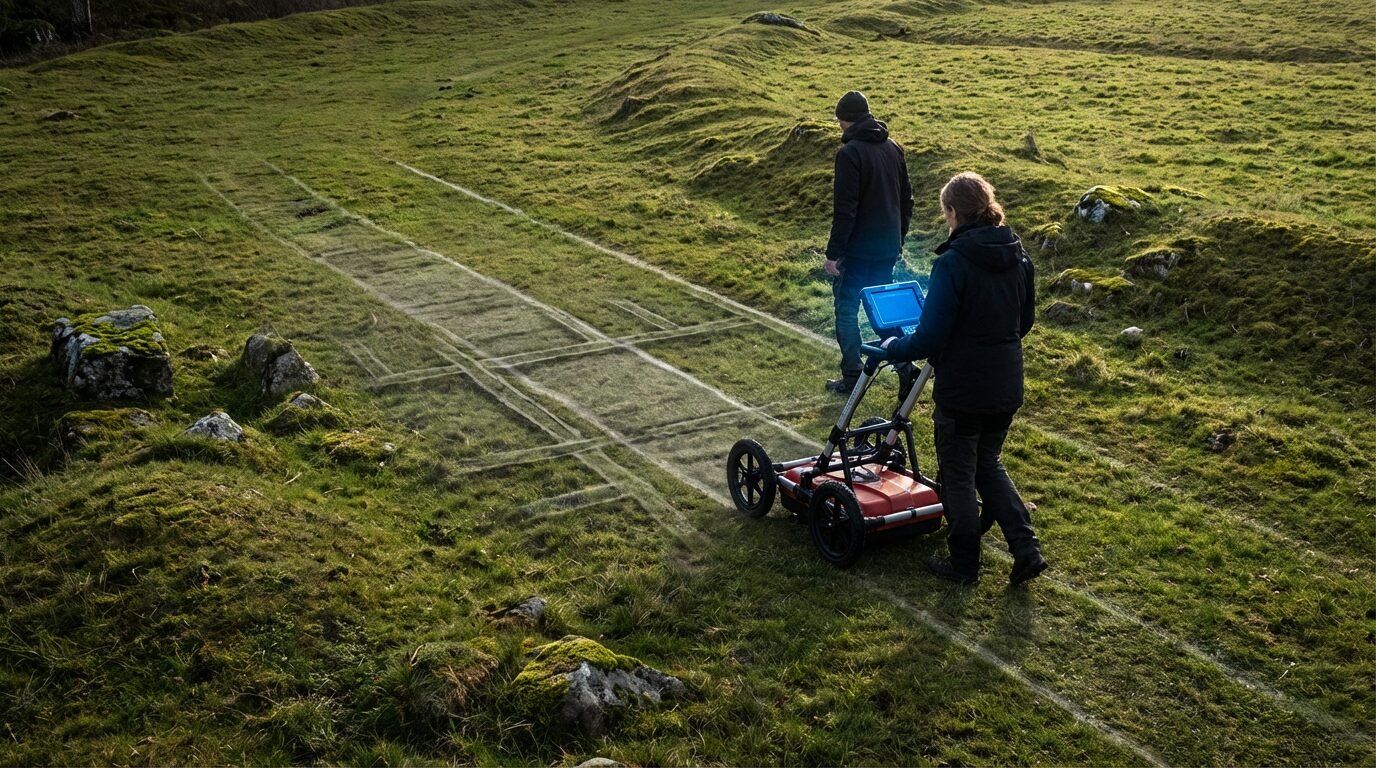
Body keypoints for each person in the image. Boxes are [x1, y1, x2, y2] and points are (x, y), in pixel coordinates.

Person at [881, 172, 1047, 586]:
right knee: (986, 464)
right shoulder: (1019, 256)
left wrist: (894, 348)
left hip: (962, 389)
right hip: (1006, 382)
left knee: (957, 473)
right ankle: (1026, 548)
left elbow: (931, 335)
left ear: (953, 212)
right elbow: (1024, 321)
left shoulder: (953, 263)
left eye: (946, 213)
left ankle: (964, 563)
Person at [824, 90, 914, 394]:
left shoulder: (849, 154)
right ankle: (905, 367)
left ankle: (851, 376)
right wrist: (898, 240)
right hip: (887, 247)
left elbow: (845, 209)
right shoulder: (893, 148)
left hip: (859, 251)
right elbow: (906, 200)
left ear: (844, 120)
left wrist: (833, 254)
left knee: (846, 308)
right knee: (881, 309)